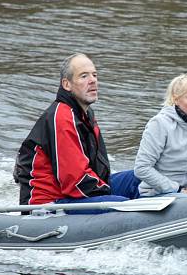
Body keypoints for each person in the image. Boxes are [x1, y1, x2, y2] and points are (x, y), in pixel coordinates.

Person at [13, 53, 140, 205]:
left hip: (78, 193)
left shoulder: (85, 114)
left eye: (94, 75)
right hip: (50, 203)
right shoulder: (62, 117)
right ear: (67, 85)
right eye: (84, 76)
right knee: (122, 204)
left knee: (138, 178)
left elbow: (97, 169)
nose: (92, 80)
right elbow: (75, 183)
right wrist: (115, 196)